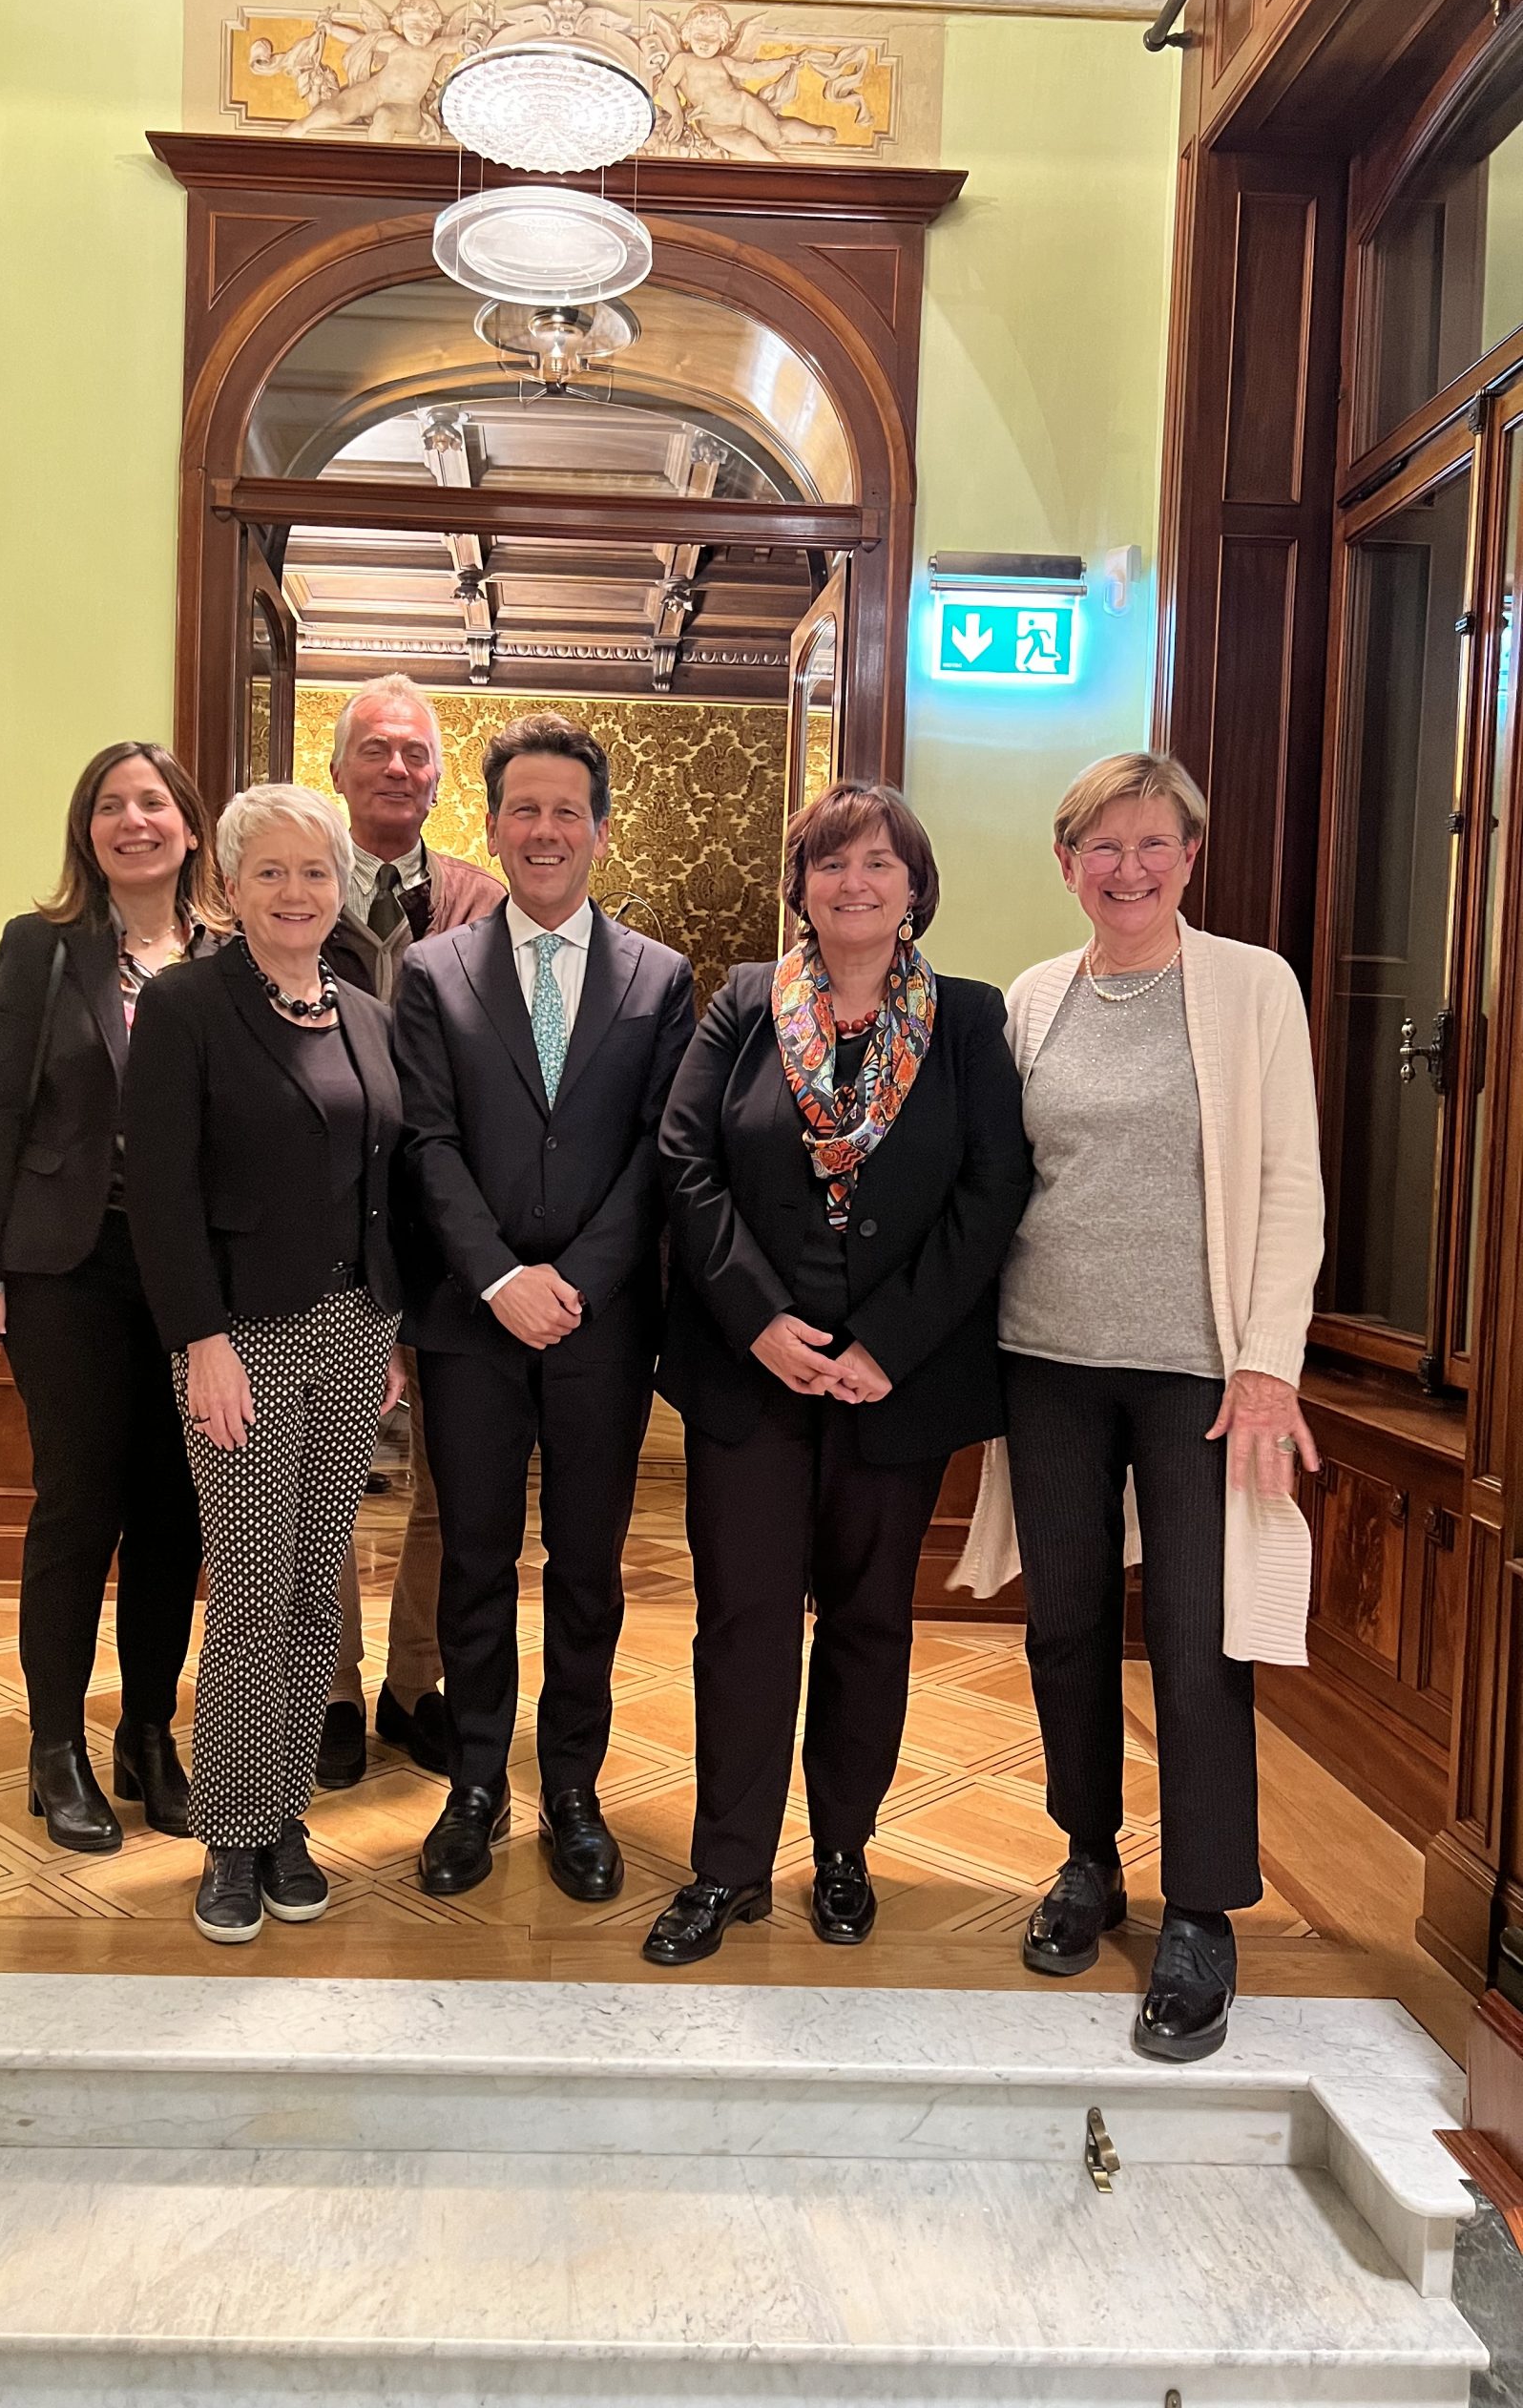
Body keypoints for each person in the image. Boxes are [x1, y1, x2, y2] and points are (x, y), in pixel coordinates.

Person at [955, 750, 1324, 2063]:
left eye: (1153, 843)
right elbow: (999, 1176)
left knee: (1197, 1636)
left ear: (1189, 856)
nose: (1128, 868)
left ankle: (1203, 1909)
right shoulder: (1034, 998)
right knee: (1063, 1625)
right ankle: (1087, 1857)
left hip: (1200, 1376)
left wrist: (1269, 1360)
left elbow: (1290, 1182)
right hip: (1046, 1359)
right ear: (1066, 864)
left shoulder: (1251, 987)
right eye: (1102, 847)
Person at [643, 783, 1032, 1967]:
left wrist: (887, 1344)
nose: (853, 883)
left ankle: (846, 1850)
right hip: (748, 1372)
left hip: (893, 1384)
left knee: (867, 1622)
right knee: (744, 1620)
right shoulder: (744, 1002)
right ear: (800, 886)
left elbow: (993, 1187)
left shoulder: (969, 1018)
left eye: (877, 864)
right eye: (829, 863)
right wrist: (757, 1318)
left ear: (914, 889)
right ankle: (728, 1865)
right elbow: (685, 1157)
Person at [393, 712, 695, 1901]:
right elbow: (426, 1141)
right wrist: (498, 1277)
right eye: (524, 808)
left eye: (568, 809)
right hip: (469, 1324)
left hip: (601, 1328)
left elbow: (662, 1151)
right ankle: (474, 1786)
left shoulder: (661, 978)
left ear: (601, 831)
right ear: (493, 824)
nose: (546, 829)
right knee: (472, 1561)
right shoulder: (434, 973)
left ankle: (573, 1787)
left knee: (586, 1570)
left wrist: (578, 1280)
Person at [123, 785, 407, 1944]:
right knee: (248, 1592)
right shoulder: (187, 1005)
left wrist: (388, 1329)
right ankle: (231, 1839)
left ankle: (284, 1815)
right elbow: (159, 1192)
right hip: (238, 1339)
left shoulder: (366, 1014)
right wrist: (201, 1340)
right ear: (231, 887)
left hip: (353, 1333)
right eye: (272, 872)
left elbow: (382, 1183)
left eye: (316, 872)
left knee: (311, 1592)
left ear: (341, 887)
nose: (297, 892)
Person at [0, 743, 224, 1853]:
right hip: (65, 1265)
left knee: (175, 1506)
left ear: (190, 826)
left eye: (153, 802)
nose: (133, 820)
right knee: (78, 1501)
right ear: (87, 830)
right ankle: (54, 1743)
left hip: (193, 1270)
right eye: (111, 805)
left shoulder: (230, 953)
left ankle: (148, 1732)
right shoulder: (43, 946)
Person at [318, 674, 504, 1790]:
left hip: (448, 1239)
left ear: (439, 780)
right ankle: (332, 1688)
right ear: (339, 770)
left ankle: (413, 1682)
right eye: (376, 749)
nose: (397, 767)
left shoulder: (482, 901)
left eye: (416, 753)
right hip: (326, 1237)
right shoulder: (292, 886)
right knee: (329, 1478)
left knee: (453, 1479)